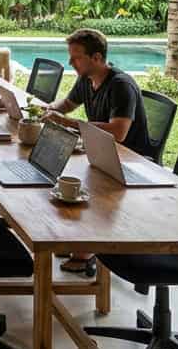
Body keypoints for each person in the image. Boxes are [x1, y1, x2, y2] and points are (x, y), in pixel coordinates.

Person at [42, 28, 149, 273]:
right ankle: (80, 239)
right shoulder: (87, 79)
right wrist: (49, 110)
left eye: (76, 57)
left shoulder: (121, 85)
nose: (71, 62)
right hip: (102, 152)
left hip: (131, 160)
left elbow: (119, 132)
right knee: (56, 164)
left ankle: (89, 247)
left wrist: (69, 123)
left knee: (70, 174)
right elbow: (68, 104)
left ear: (97, 58)